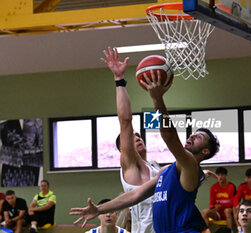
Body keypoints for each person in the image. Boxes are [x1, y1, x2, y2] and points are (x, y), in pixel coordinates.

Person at [70, 69, 220, 233]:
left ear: (205, 151)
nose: (192, 136)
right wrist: (99, 209)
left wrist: (157, 99)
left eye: (199, 137)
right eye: (193, 133)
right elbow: (135, 195)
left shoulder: (188, 165)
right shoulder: (165, 171)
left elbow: (169, 137)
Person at [101, 47, 161, 233]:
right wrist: (119, 80)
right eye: (132, 137)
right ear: (123, 149)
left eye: (139, 136)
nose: (137, 137)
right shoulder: (130, 166)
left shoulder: (154, 165)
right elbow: (125, 121)